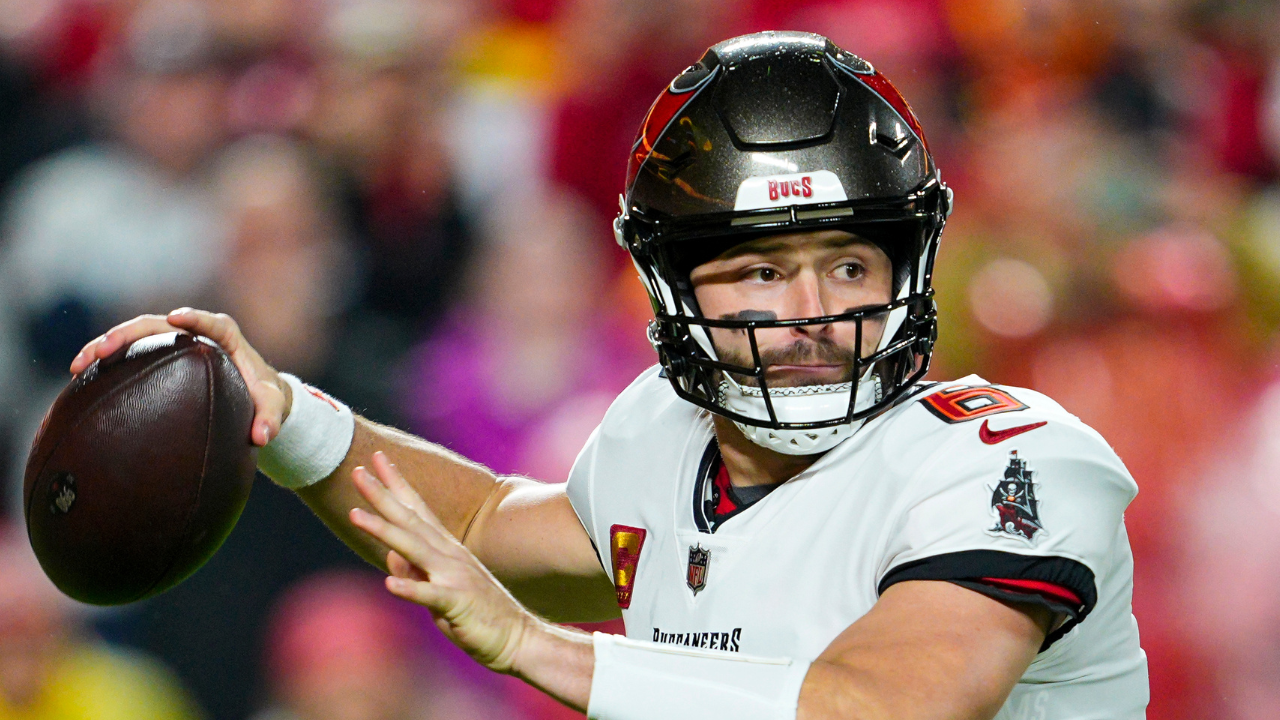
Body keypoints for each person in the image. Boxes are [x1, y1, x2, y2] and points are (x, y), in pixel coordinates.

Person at [71, 32, 1148, 720]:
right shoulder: (663, 434)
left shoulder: (1009, 462)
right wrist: (289, 415)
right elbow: (492, 527)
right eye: (762, 271)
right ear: (672, 290)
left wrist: (539, 652)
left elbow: (883, 710)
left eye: (849, 263)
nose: (814, 314)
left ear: (907, 267)